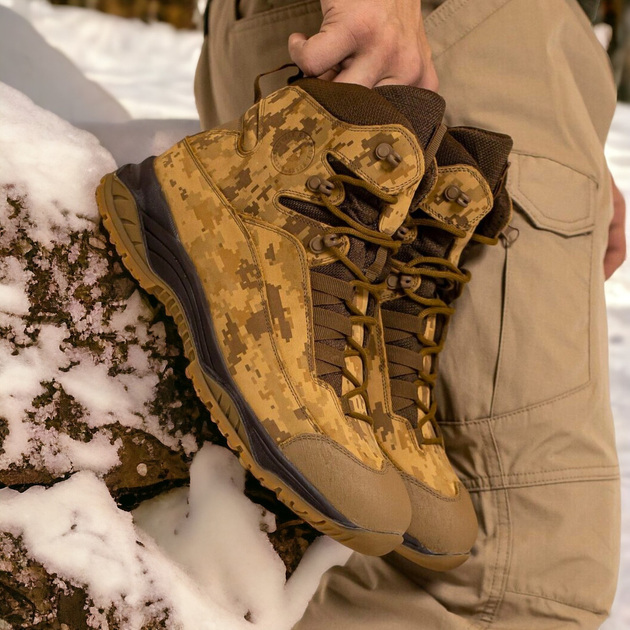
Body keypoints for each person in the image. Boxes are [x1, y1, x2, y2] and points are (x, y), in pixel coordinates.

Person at [194, 1, 626, 628]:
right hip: (439, 30)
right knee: (504, 583)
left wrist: (563, 117)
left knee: (400, 533)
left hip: (495, 42)